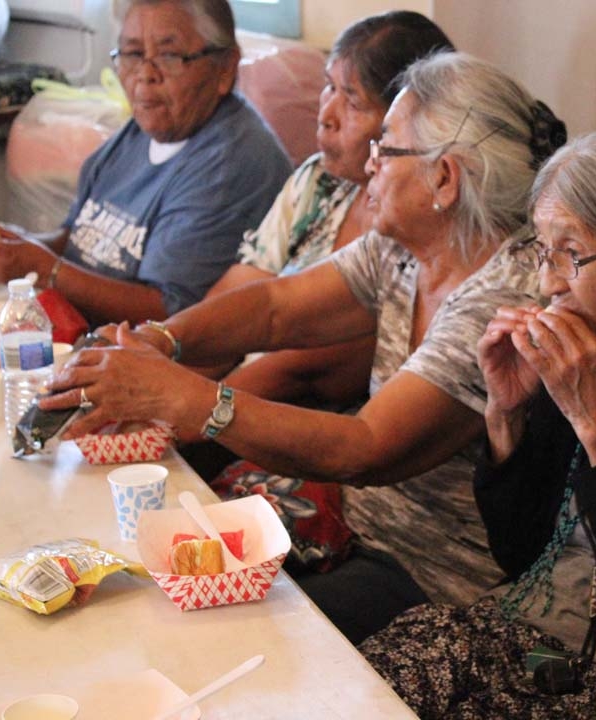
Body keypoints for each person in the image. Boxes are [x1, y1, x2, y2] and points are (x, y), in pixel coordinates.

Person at [43, 52, 567, 643]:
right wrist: (159, 340)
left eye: (386, 149)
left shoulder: (501, 299)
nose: (369, 163)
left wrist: (186, 398)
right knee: (149, 574)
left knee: (216, 634)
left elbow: (365, 448)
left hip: (435, 576)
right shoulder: (404, 248)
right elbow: (276, 307)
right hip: (353, 529)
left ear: (444, 178)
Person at [360, 132, 596, 719]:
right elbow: (518, 553)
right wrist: (506, 416)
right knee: (359, 682)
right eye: (544, 253)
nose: (549, 284)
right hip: (527, 628)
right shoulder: (583, 359)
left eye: (571, 254)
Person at [178, 11, 455, 483]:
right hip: (225, 406)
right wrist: (158, 353)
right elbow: (247, 296)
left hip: (294, 432)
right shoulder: (319, 182)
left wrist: (179, 412)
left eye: (353, 101)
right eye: (329, 87)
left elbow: (299, 371)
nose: (325, 114)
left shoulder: (410, 237)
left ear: (410, 127)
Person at [0, 0, 291, 326]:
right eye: (133, 54)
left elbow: (169, 316)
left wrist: (44, 269)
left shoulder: (229, 165)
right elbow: (77, 238)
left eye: (169, 56)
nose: (145, 75)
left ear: (225, 69)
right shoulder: (145, 129)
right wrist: (18, 249)